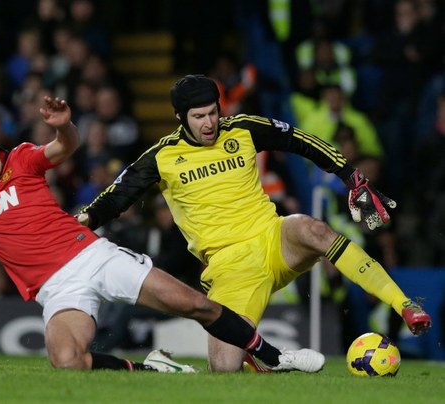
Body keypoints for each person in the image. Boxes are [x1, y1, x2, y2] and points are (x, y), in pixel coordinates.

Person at [0, 95, 323, 373]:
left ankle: (274, 357)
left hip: (90, 256)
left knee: (198, 306)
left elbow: (60, 148)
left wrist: (65, 127)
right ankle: (148, 369)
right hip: (56, 290)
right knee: (67, 360)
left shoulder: (21, 159)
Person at [77, 74, 432, 372]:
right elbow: (115, 198)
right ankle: (247, 360)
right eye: (199, 116)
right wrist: (82, 220)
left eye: (213, 113)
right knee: (223, 369)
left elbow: (299, 140)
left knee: (314, 229)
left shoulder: (243, 129)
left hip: (273, 238)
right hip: (229, 267)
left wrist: (350, 175)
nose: (209, 123)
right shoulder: (161, 156)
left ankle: (405, 305)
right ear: (179, 117)